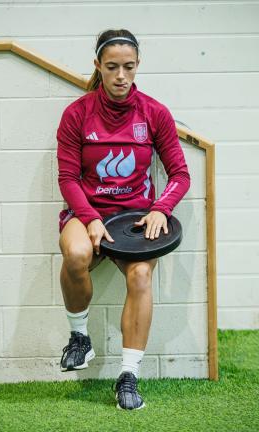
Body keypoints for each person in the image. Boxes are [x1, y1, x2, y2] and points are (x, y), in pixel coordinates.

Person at [56, 29, 190, 410]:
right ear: (97, 66)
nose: (120, 76)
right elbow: (67, 178)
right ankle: (79, 338)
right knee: (77, 254)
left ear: (138, 66)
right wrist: (90, 218)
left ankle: (129, 376)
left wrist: (160, 208)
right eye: (111, 67)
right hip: (88, 212)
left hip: (135, 217)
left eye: (128, 67)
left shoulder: (154, 113)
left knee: (142, 275)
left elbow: (180, 174)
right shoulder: (77, 114)